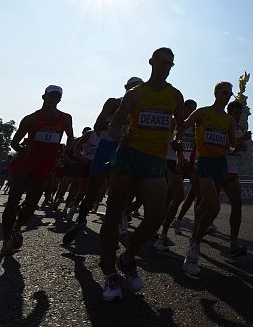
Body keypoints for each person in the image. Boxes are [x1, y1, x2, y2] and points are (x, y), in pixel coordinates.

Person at [99, 47, 184, 301]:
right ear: (151, 62)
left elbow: (179, 127)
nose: (166, 67)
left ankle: (126, 257)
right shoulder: (135, 94)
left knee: (155, 217)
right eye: (162, 62)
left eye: (170, 64)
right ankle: (110, 273)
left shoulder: (175, 95)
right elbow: (112, 125)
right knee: (113, 215)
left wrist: (176, 142)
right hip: (128, 158)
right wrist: (120, 136)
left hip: (154, 162)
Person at [61, 77, 140, 245]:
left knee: (123, 190)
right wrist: (116, 122)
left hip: (127, 150)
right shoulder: (113, 102)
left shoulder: (141, 107)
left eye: (139, 88)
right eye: (133, 87)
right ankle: (81, 220)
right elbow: (97, 126)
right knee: (93, 188)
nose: (135, 91)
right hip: (107, 146)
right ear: (126, 88)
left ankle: (117, 223)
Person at [1, 85, 74, 255]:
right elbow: (14, 142)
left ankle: (17, 228)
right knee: (13, 201)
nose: (53, 99)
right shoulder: (31, 119)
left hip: (45, 165)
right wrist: (22, 149)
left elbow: (70, 136)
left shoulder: (65, 118)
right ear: (44, 97)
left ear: (60, 99)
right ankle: (6, 241)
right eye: (50, 96)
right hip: (25, 163)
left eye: (57, 97)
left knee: (33, 204)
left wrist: (66, 152)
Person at [182, 82, 237, 277]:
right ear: (215, 93)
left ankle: (192, 247)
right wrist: (176, 137)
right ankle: (194, 246)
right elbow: (184, 125)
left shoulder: (229, 120)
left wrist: (239, 141)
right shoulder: (202, 112)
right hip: (204, 162)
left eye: (230, 93)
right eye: (225, 92)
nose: (228, 96)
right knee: (214, 207)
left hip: (220, 164)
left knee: (205, 206)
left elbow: (232, 144)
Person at [153, 98, 198, 252]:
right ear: (183, 109)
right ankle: (163, 234)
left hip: (186, 164)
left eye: (193, 109)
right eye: (188, 108)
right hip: (171, 161)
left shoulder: (195, 127)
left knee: (170, 199)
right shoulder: (174, 122)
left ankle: (156, 228)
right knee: (179, 196)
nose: (190, 111)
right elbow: (171, 141)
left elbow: (194, 147)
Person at [224, 100, 252, 256]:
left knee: (237, 204)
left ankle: (233, 242)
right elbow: (225, 143)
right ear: (230, 111)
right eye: (236, 112)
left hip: (232, 169)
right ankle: (195, 241)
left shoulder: (240, 128)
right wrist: (241, 141)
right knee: (209, 208)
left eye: (240, 113)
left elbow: (240, 147)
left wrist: (243, 145)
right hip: (218, 166)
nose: (239, 115)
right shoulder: (223, 123)